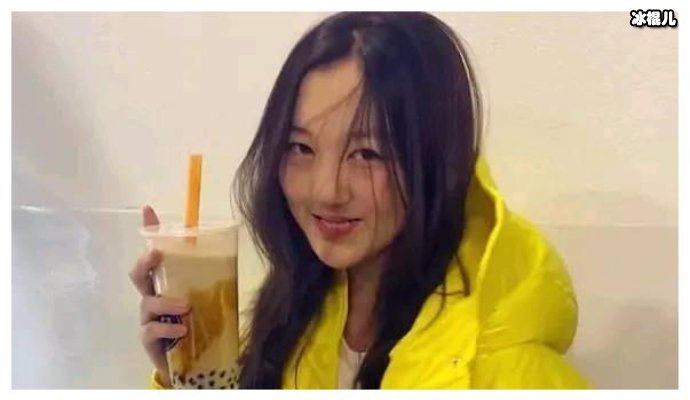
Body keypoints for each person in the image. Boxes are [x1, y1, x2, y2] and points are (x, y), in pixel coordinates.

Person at [130, 12, 592, 389]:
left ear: (435, 160)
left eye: (367, 153)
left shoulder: (508, 370)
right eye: (300, 148)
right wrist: (185, 378)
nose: (326, 191)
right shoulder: (293, 318)